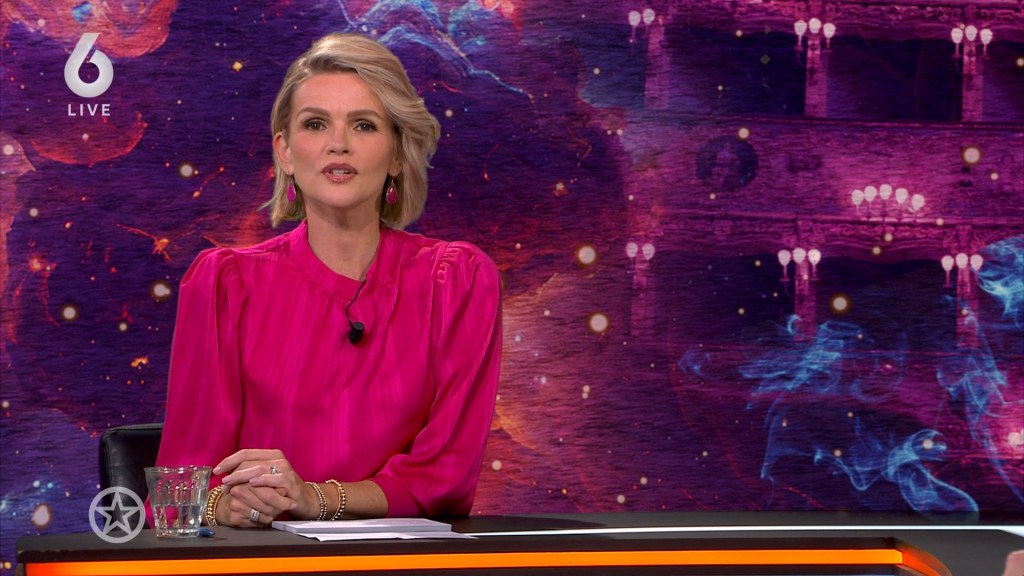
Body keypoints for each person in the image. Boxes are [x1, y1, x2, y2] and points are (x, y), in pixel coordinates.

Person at [153, 33, 502, 527]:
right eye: (316, 124)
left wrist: (313, 500)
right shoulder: (226, 284)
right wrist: (222, 506)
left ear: (396, 154)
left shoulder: (456, 282)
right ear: (285, 151)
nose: (339, 143)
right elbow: (176, 496)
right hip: (263, 558)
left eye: (364, 125)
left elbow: (445, 478)